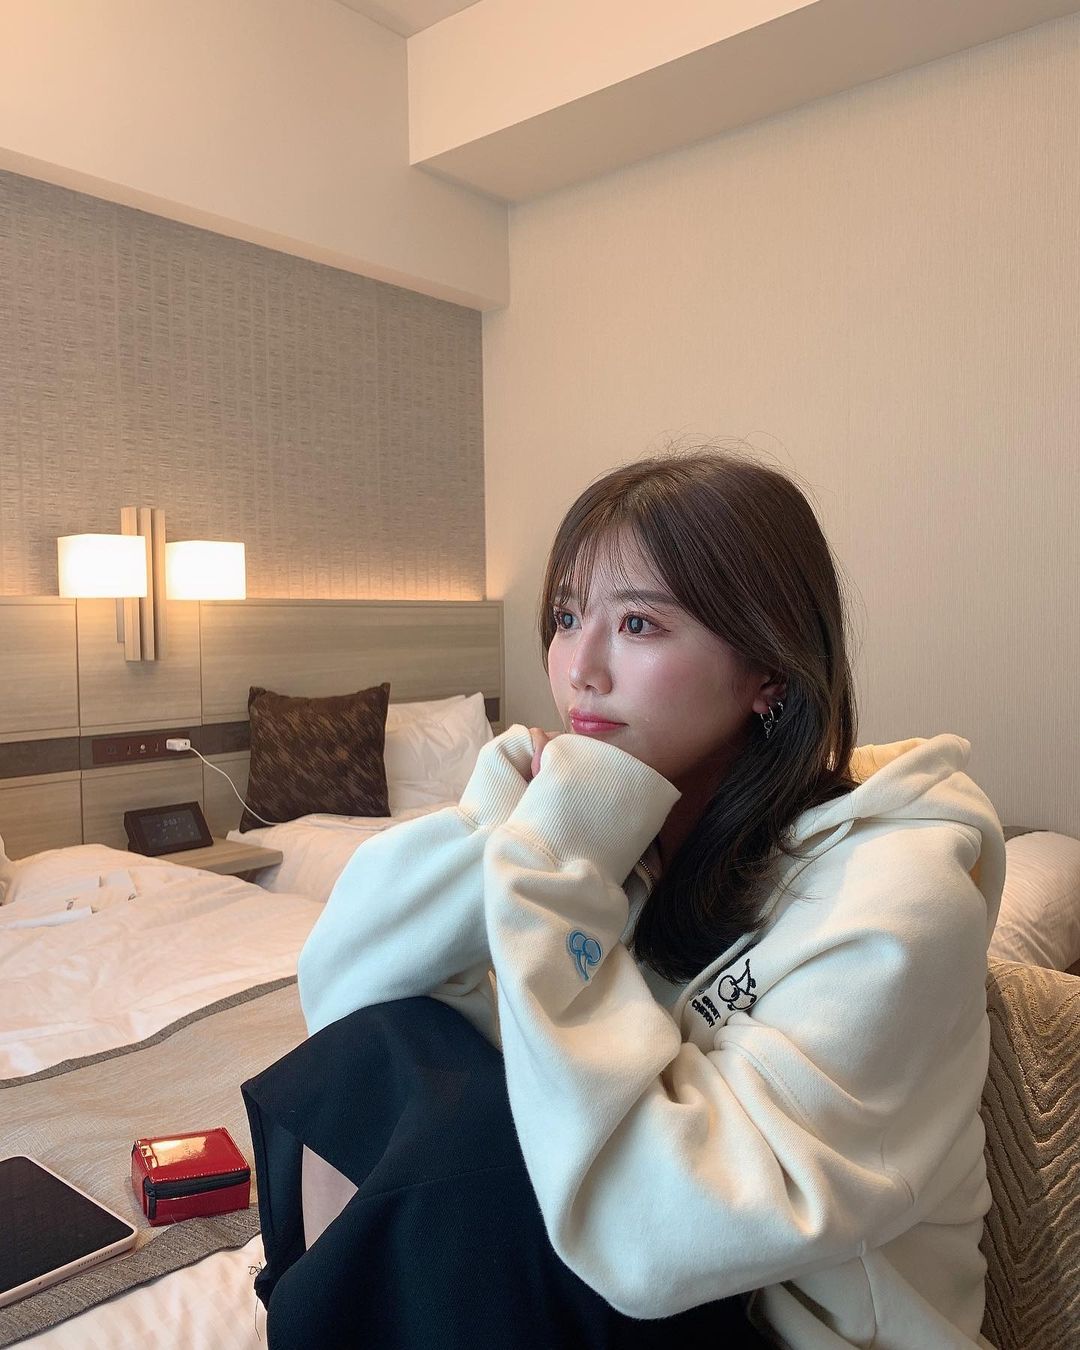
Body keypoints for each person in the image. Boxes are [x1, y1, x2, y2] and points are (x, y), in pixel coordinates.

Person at [244, 450, 1005, 1349]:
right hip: (653, 1271)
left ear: (768, 668)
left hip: (772, 1313)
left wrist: (555, 873)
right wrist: (499, 820)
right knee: (383, 1050)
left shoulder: (897, 893)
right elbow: (347, 994)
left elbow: (666, 1232)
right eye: (568, 618)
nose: (580, 669)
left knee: (452, 1154)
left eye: (639, 623)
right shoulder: (627, 834)